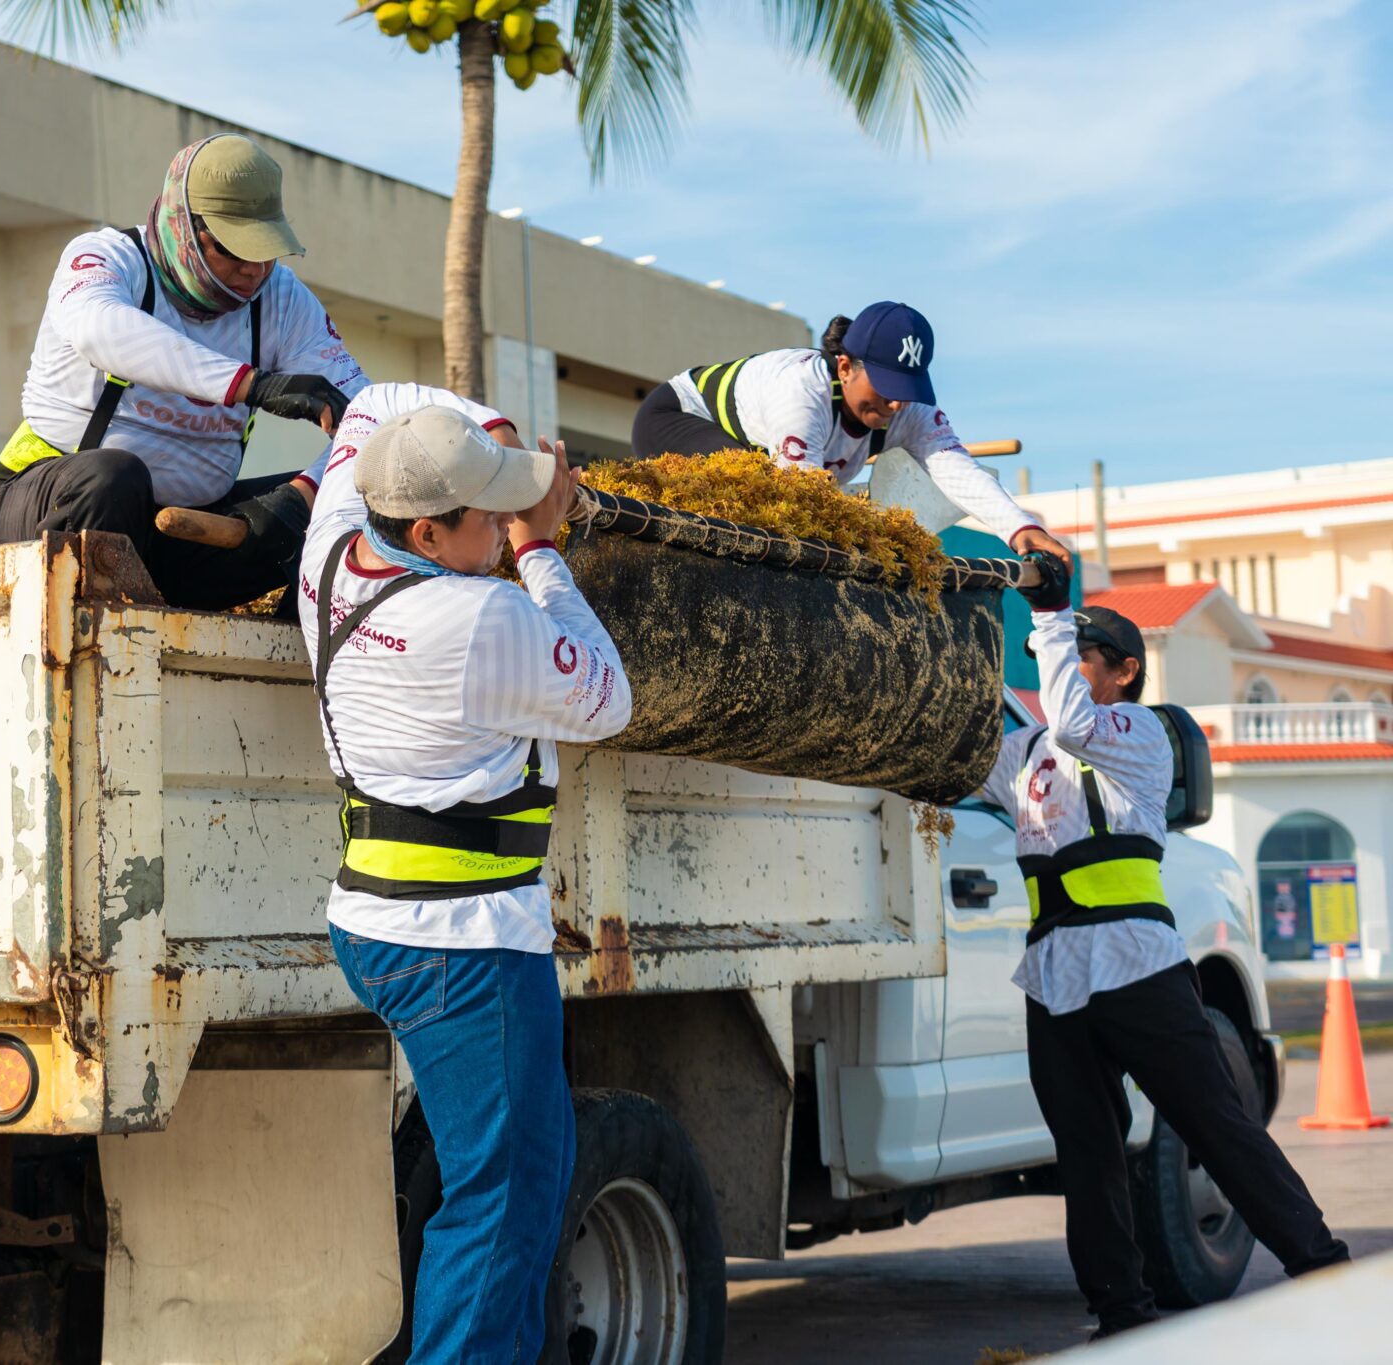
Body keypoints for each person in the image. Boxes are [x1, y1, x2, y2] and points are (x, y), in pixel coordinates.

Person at [299, 400, 629, 1362]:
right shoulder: (481, 616)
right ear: (428, 535)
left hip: (378, 916)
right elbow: (608, 696)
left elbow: (363, 412)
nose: (505, 524)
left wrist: (482, 431)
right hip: (465, 942)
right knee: (504, 1201)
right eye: (489, 515)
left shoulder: (328, 556)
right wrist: (543, 551)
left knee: (525, 1173)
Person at [980, 561, 1349, 1339]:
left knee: (1216, 1126)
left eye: (1079, 656)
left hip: (1137, 962)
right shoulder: (1025, 751)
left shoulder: (1138, 733)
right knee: (1087, 1154)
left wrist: (1049, 613)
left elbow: (1074, 723)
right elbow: (954, 757)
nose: (1060, 669)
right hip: (1053, 974)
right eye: (1053, 657)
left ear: (1123, 671)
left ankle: (1324, 1270)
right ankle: (1122, 1318)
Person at [0, 133, 367, 609]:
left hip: (183, 538)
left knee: (360, 494)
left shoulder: (284, 302)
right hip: (54, 509)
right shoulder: (108, 257)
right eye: (234, 250)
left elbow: (372, 419)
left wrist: (303, 494)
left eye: (266, 251)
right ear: (182, 225)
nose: (255, 270)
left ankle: (300, 653)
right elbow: (99, 329)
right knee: (114, 475)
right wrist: (253, 385)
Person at [632, 301, 1069, 567]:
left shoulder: (907, 407)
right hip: (677, 419)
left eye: (905, 390)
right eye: (886, 388)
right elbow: (802, 497)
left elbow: (957, 470)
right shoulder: (801, 394)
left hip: (764, 453)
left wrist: (1020, 529)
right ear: (845, 366)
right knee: (760, 496)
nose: (895, 405)